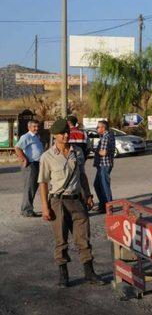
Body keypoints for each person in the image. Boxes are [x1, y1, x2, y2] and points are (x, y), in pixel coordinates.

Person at [38, 118, 101, 287]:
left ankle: (90, 273)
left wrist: (88, 195)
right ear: (55, 136)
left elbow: (81, 175)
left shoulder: (77, 152)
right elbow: (43, 183)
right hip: (57, 202)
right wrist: (45, 206)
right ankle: (63, 276)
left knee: (84, 238)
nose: (66, 136)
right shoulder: (47, 157)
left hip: (76, 200)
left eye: (67, 132)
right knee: (61, 239)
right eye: (62, 134)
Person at [14, 119, 44, 217]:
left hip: (37, 164)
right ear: (29, 127)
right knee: (29, 187)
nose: (36, 128)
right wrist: (24, 159)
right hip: (30, 165)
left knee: (33, 188)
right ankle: (26, 210)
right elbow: (17, 147)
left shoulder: (36, 136)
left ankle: (27, 209)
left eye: (37, 126)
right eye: (34, 126)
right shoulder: (26, 136)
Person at [92, 120, 115, 213]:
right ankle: (103, 205)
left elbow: (104, 152)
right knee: (97, 184)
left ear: (103, 128)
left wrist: (95, 150)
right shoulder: (108, 135)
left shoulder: (105, 137)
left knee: (104, 185)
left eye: (98, 127)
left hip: (104, 165)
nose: (96, 129)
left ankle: (108, 207)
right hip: (104, 164)